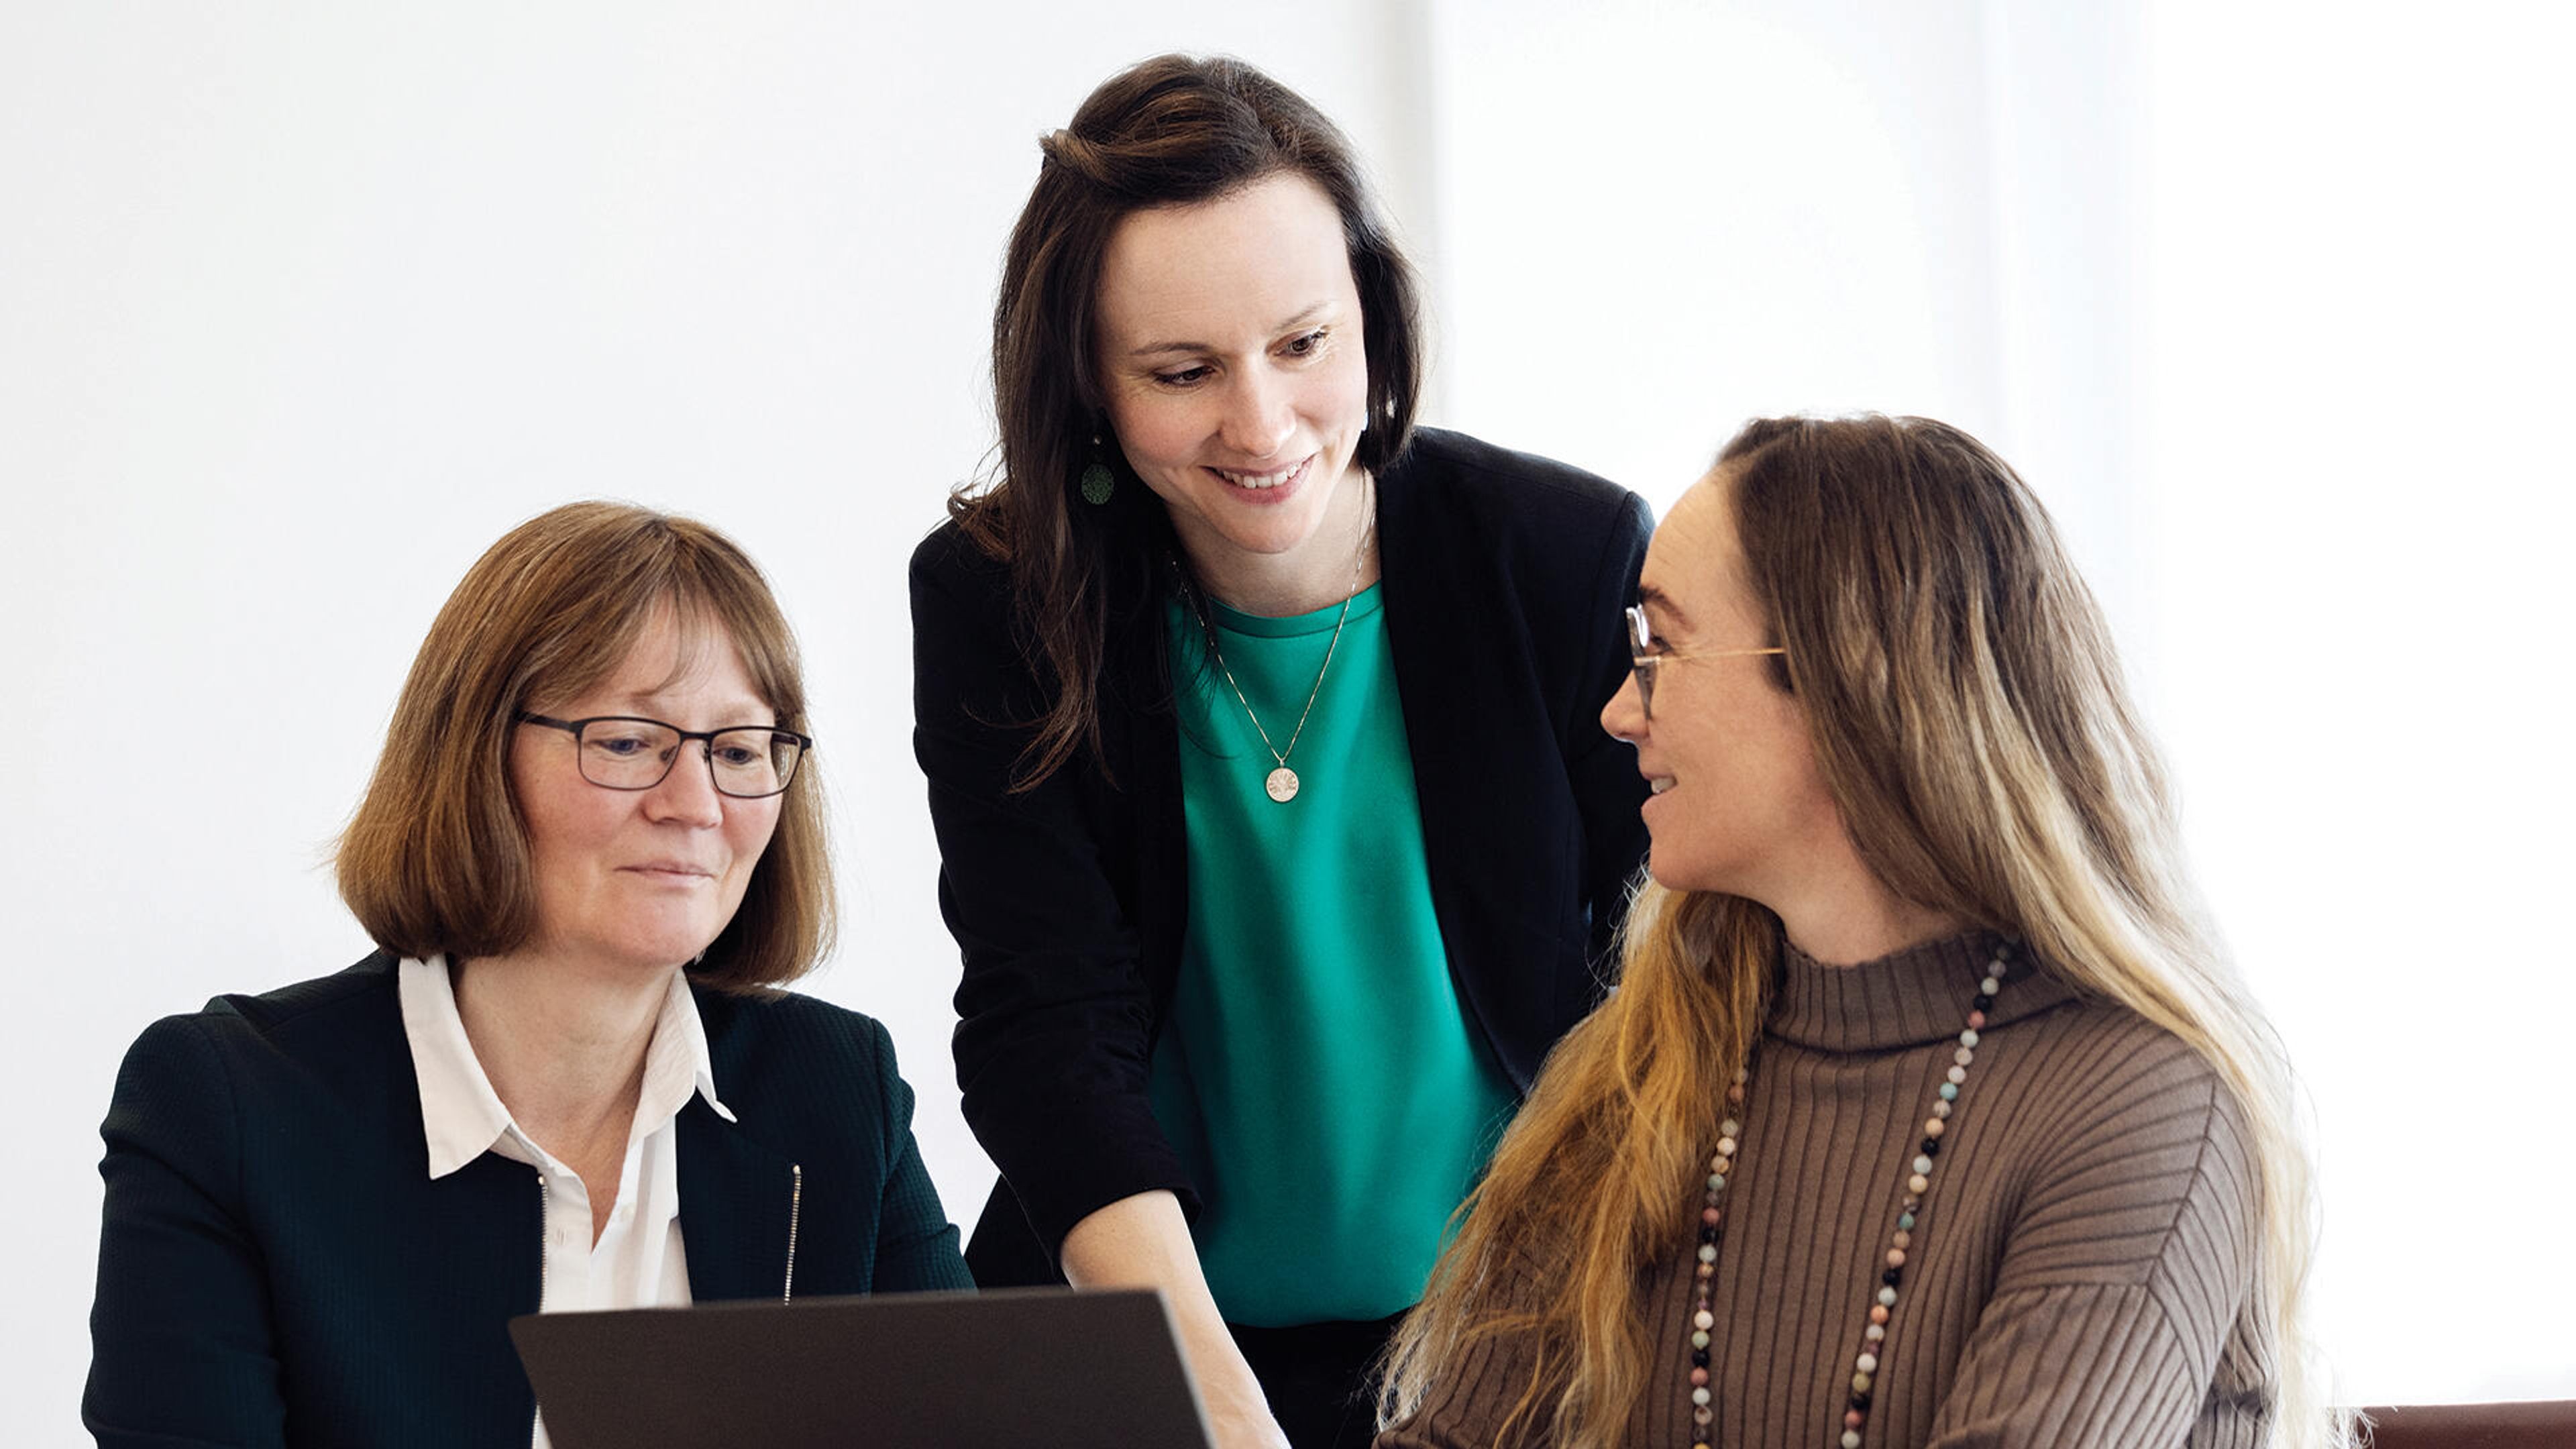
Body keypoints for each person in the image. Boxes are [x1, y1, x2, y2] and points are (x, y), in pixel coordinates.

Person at [909, 54, 1652, 1449]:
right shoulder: (998, 596)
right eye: (1183, 372)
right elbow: (1041, 1021)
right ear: (1087, 385)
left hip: (1510, 1353)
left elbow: (1666, 1002)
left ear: (1373, 316)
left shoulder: (1566, 558)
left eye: (1304, 345)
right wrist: (1211, 1406)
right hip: (1146, 1341)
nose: (1261, 427)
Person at [1377, 416, 2351, 1449]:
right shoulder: (1647, 1065)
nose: (1620, 709)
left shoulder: (2148, 1116)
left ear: (1850, 681)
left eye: (1660, 645)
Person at [86, 502, 971, 1449]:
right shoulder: (225, 1106)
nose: (697, 804)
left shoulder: (836, 1089)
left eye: (741, 750)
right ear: (474, 756)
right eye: (629, 741)